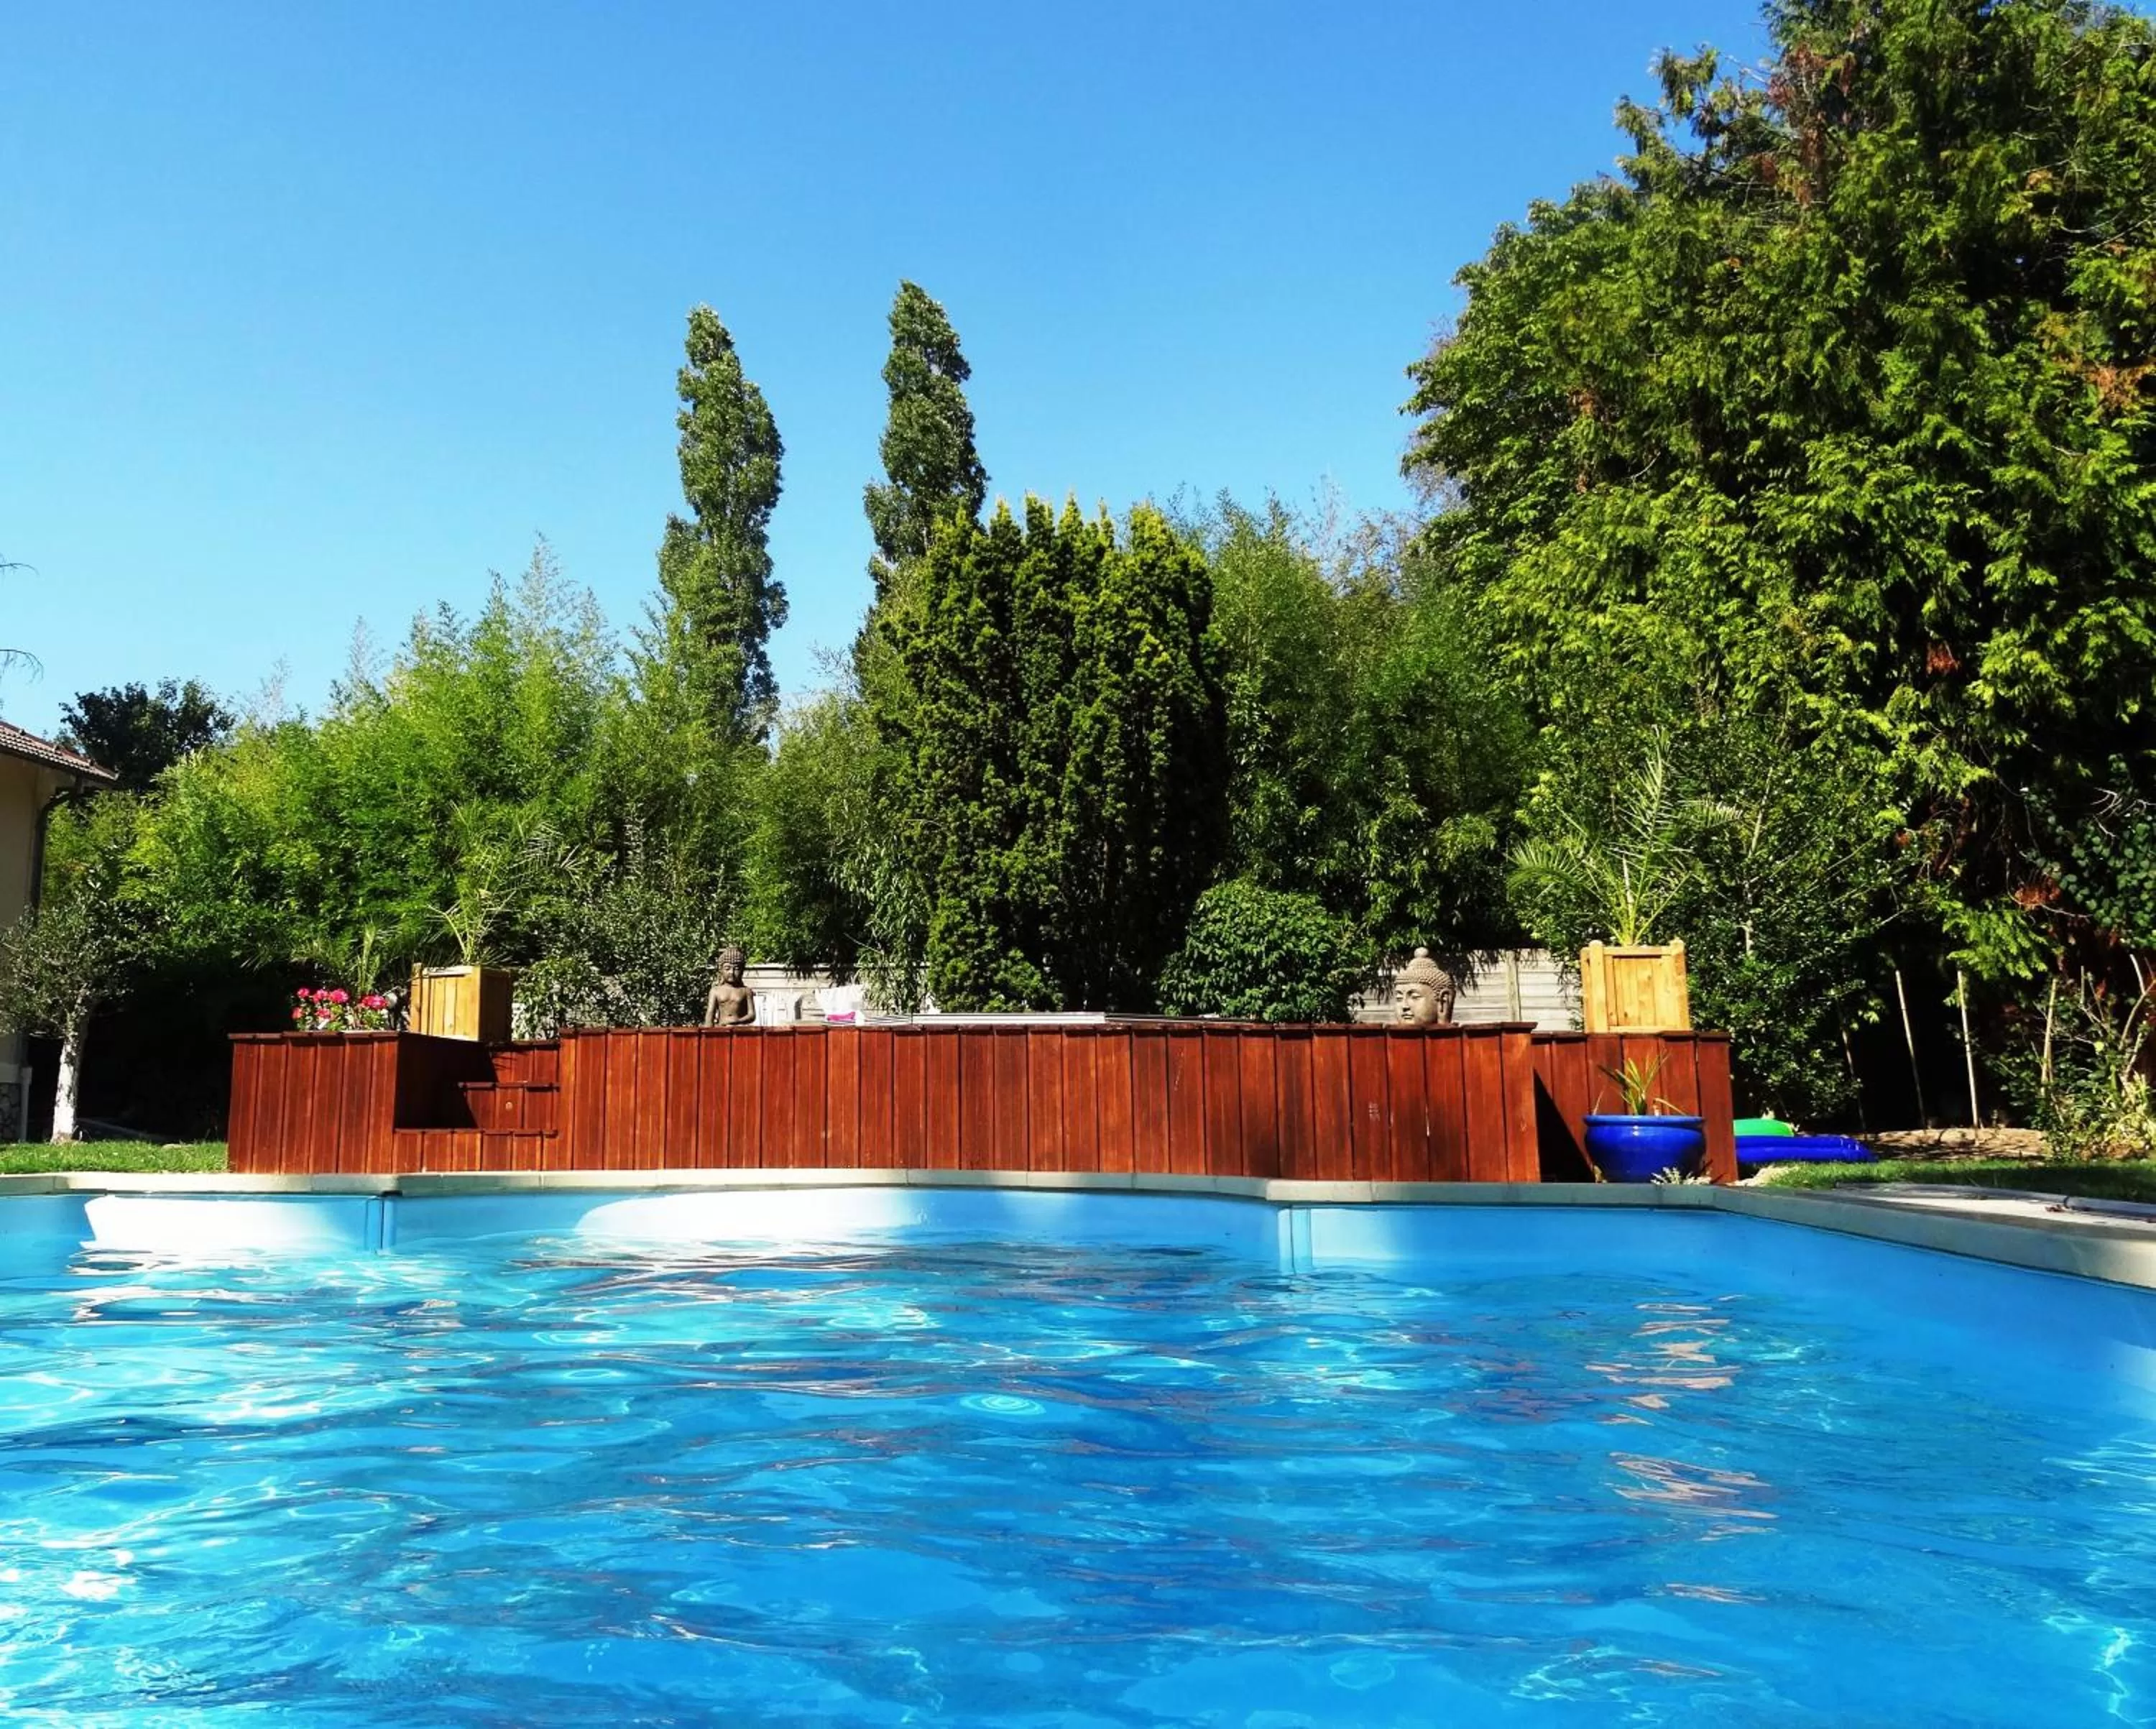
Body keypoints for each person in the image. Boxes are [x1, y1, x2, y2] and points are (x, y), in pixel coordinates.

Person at [703, 946, 755, 1027]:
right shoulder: (716, 991)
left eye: (736, 969)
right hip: (721, 1029)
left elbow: (752, 1015)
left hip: (740, 1030)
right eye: (727, 969)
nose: (732, 972)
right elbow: (710, 1014)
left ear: (742, 971)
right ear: (721, 970)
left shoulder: (746, 991)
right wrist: (707, 1034)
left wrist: (738, 1021)